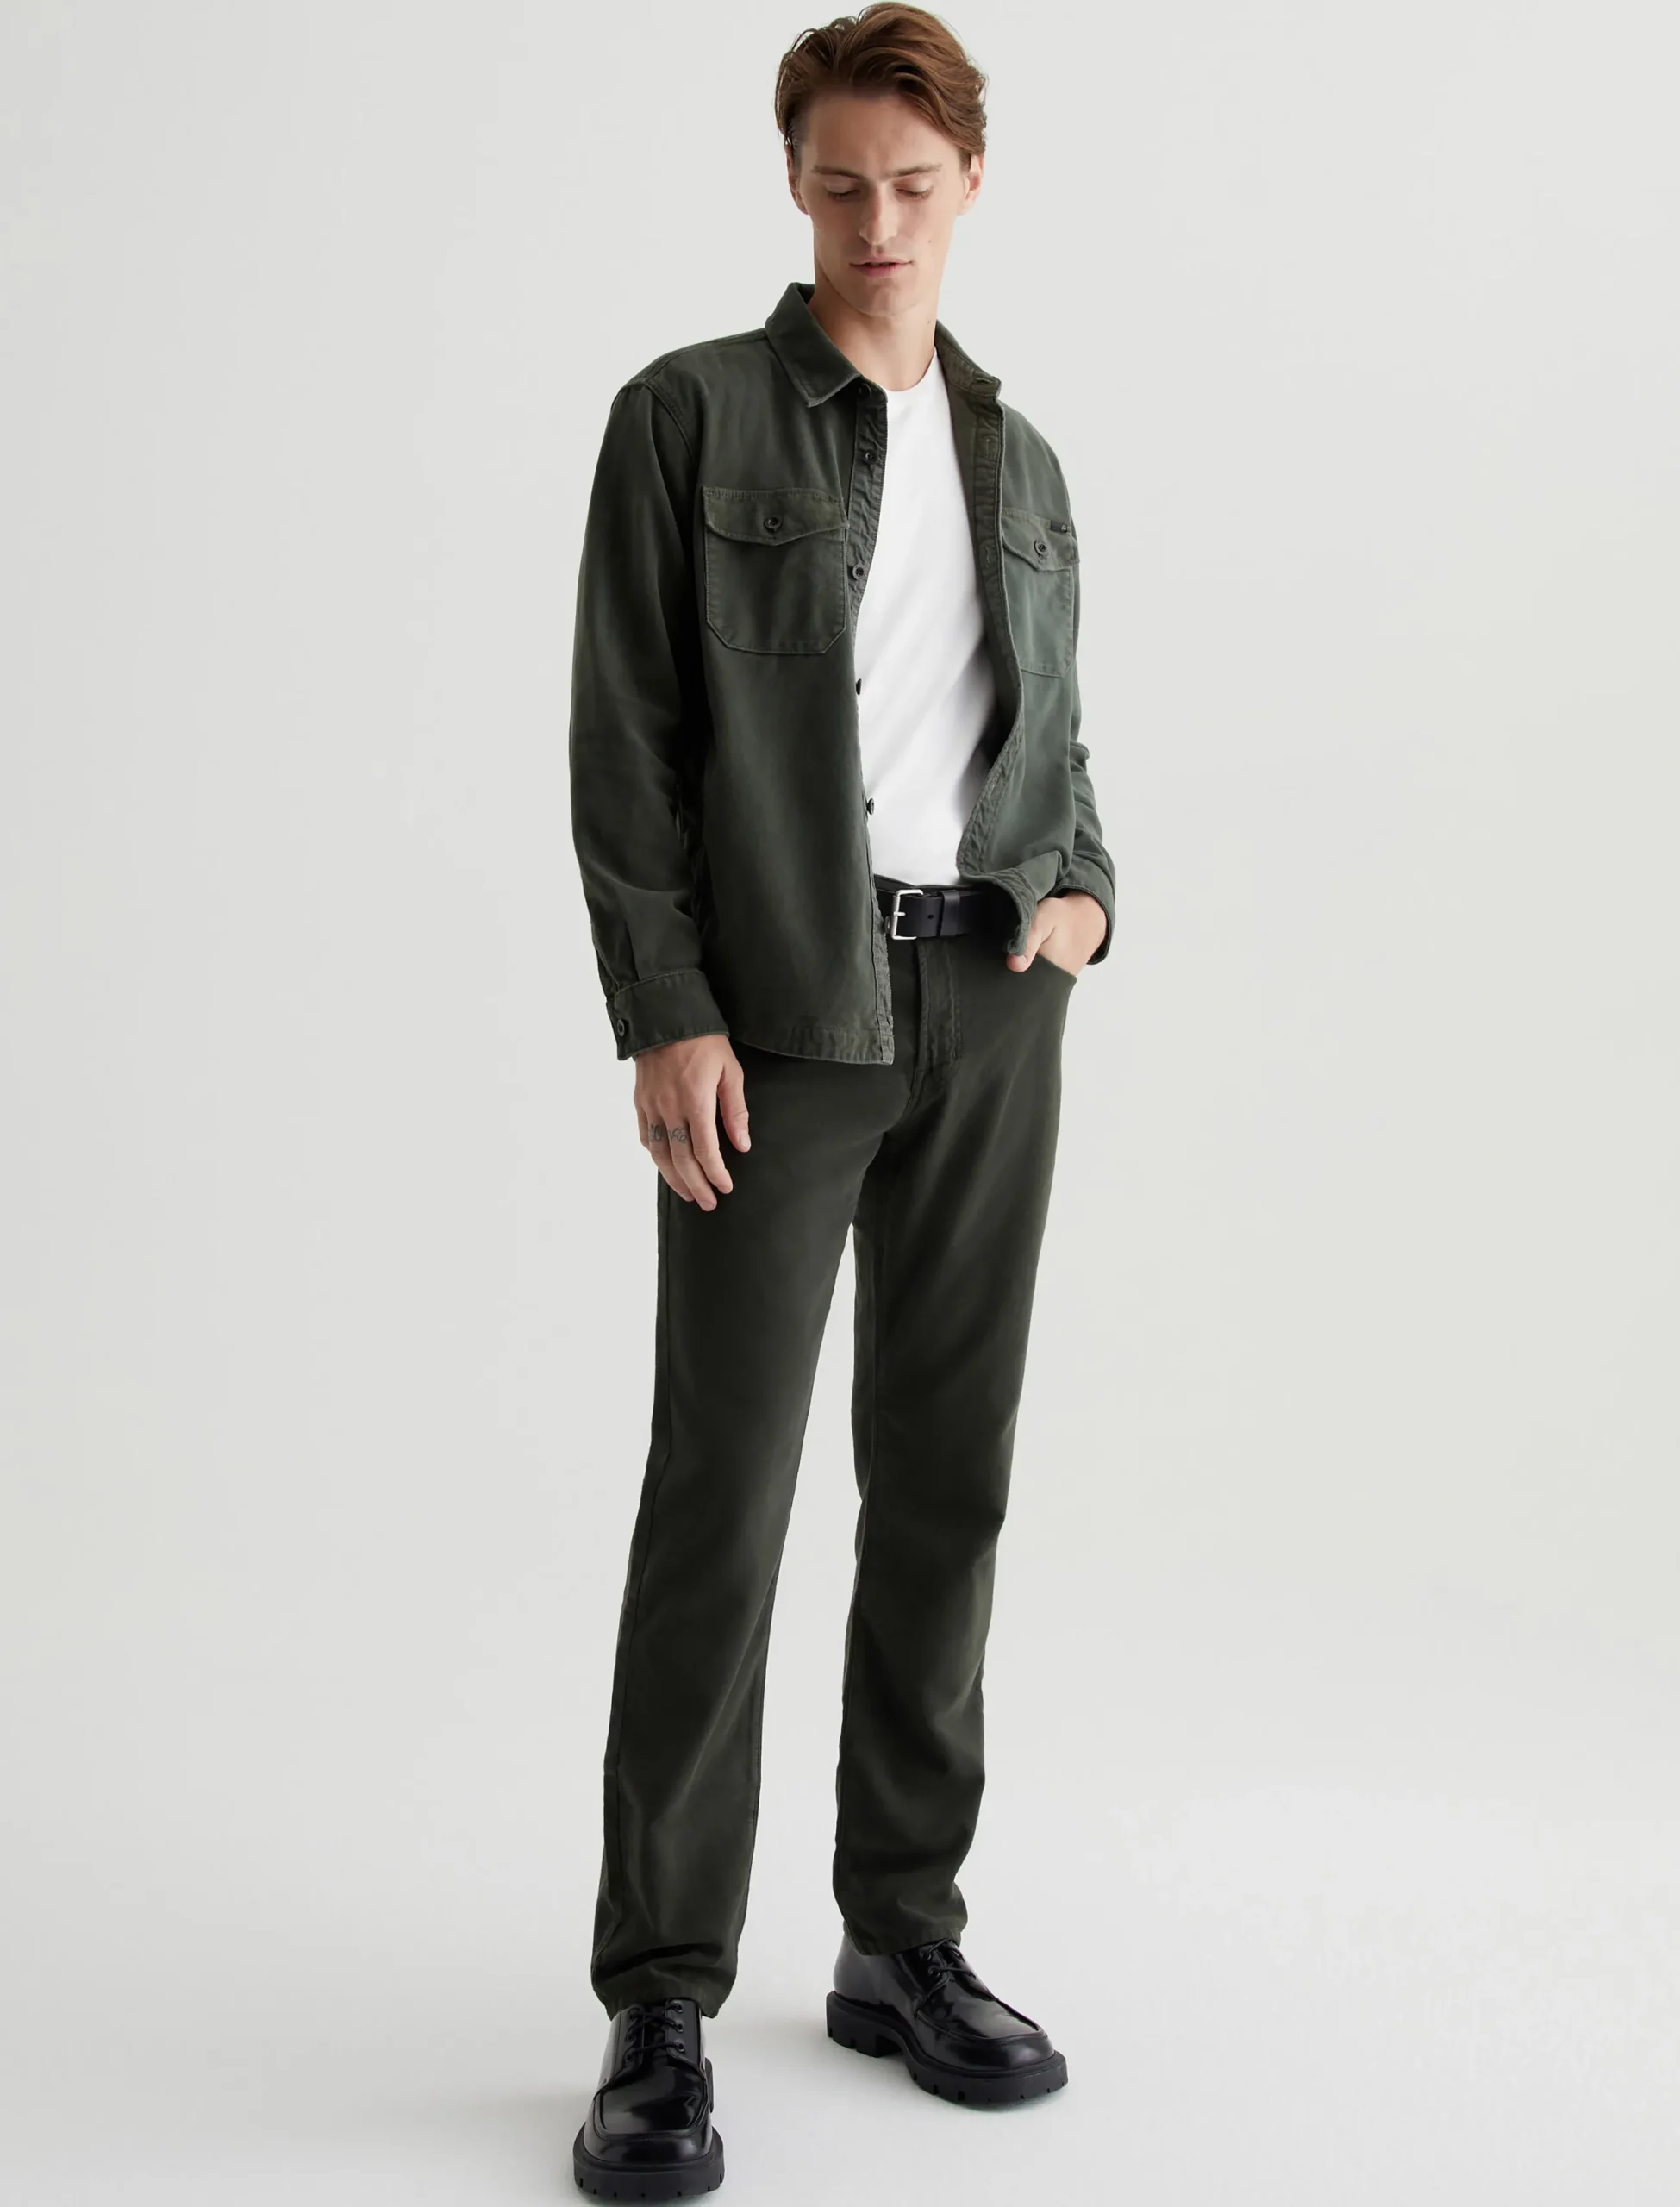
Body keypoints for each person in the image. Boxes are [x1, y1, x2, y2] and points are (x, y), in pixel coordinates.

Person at [565, 5, 1115, 2194]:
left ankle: (901, 1933)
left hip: (990, 1003)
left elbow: (1047, 729)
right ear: (791, 183)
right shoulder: (686, 416)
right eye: (835, 183)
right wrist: (664, 1006)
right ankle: (659, 1996)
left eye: (909, 184)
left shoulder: (1023, 461)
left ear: (969, 183)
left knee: (947, 1476)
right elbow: (627, 735)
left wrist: (1081, 895)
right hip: (780, 1020)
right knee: (723, 1493)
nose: (874, 223)